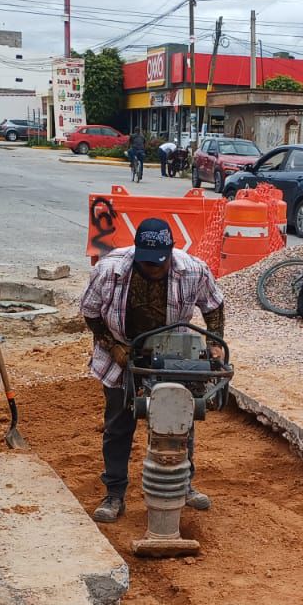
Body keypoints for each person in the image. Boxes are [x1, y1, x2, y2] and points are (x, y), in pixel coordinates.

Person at [80, 217, 225, 524]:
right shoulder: (110, 270)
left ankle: (182, 484)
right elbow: (90, 313)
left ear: (171, 251)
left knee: (178, 421)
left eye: (159, 262)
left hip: (172, 353)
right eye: (147, 263)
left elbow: (214, 306)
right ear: (136, 252)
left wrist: (215, 344)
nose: (153, 268)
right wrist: (112, 345)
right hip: (123, 351)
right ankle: (114, 493)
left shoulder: (193, 270)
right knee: (119, 423)